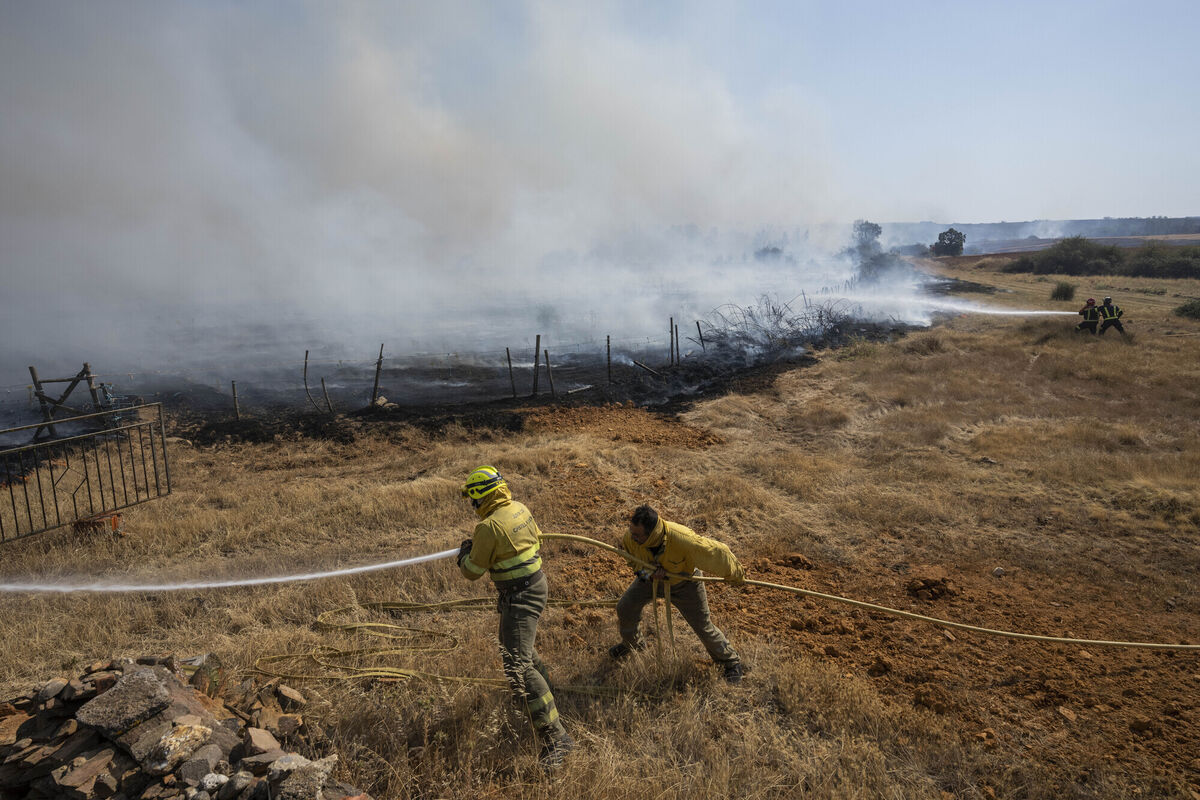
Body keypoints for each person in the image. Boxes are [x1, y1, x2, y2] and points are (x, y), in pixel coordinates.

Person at [457, 465, 574, 768]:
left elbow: (472, 571)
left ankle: (555, 737)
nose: (472, 506)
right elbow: (537, 542)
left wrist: (463, 556)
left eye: (473, 499)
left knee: (517, 667)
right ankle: (545, 693)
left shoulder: (488, 527)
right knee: (521, 651)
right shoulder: (520, 508)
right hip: (536, 585)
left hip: (520, 596)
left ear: (482, 496)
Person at [610, 504, 747, 684]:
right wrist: (648, 575)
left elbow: (719, 553)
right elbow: (634, 565)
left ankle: (731, 662)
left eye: (637, 535)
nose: (632, 537)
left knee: (703, 626)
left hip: (685, 583)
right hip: (651, 581)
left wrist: (736, 575)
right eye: (631, 532)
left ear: (651, 534)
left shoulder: (683, 540)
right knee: (625, 607)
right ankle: (633, 645)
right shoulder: (631, 539)